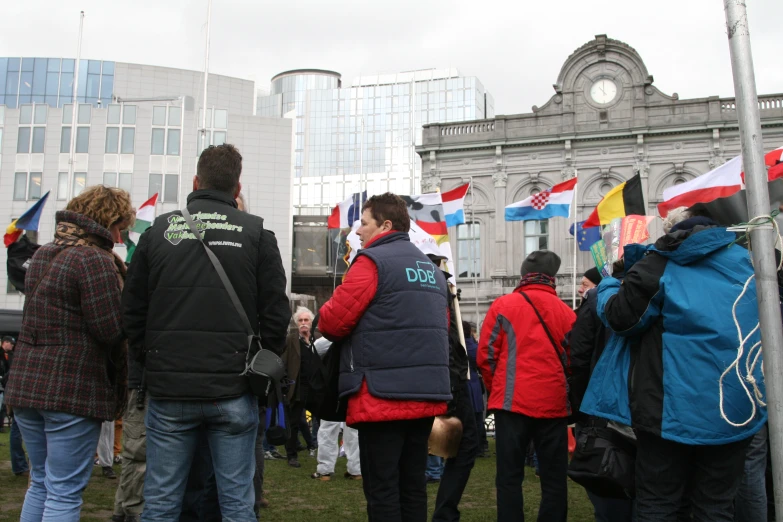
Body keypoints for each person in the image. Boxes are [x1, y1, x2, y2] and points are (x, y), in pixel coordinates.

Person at [122, 143, 291, 521]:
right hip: (233, 388)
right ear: (237, 187)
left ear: (196, 181)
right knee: (236, 502)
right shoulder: (257, 233)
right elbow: (277, 315)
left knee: (162, 501)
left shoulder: (157, 232)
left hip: (169, 390)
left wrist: (148, 359)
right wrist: (260, 362)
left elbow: (131, 313)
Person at [584, 207, 767, 521]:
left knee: (659, 501)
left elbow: (621, 318)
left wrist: (609, 286)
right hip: (734, 407)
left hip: (666, 409)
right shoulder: (752, 263)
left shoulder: (657, 264)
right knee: (716, 505)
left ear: (671, 232)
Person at [318, 192, 452, 522]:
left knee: (383, 489)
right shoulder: (433, 271)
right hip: (425, 394)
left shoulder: (372, 263)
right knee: (413, 486)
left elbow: (332, 322)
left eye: (364, 223)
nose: (359, 231)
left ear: (385, 225)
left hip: (382, 394)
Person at [6, 185, 134, 521]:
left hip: (26, 386)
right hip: (70, 389)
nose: (120, 237)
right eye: (120, 227)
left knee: (41, 485)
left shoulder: (46, 253)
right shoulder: (93, 259)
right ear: (108, 221)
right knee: (63, 492)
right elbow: (110, 330)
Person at [478, 250, 576, 522]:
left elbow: (485, 356)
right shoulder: (566, 312)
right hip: (553, 404)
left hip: (511, 403)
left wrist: (497, 385)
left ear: (523, 275)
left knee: (509, 476)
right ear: (552, 278)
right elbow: (574, 362)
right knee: (554, 478)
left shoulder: (502, 305)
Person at [568, 262, 635, 522]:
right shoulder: (661, 287)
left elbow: (579, 355)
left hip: (601, 407)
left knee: (607, 476)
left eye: (584, 284)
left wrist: (581, 404)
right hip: (644, 404)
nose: (579, 288)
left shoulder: (597, 300)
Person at [429, 254, 480, 522]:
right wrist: (450, 379)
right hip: (446, 378)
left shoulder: (437, 284)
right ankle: (444, 513)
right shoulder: (434, 284)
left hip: (444, 375)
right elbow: (442, 336)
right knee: (466, 443)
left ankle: (444, 512)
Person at [282, 306, 318, 468]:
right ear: (297, 323)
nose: (303, 323)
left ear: (311, 322)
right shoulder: (291, 340)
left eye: (306, 320)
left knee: (322, 422)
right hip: (297, 387)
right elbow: (283, 362)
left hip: (316, 387)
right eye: (300, 321)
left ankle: (317, 449)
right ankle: (292, 454)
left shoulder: (318, 339)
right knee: (294, 422)